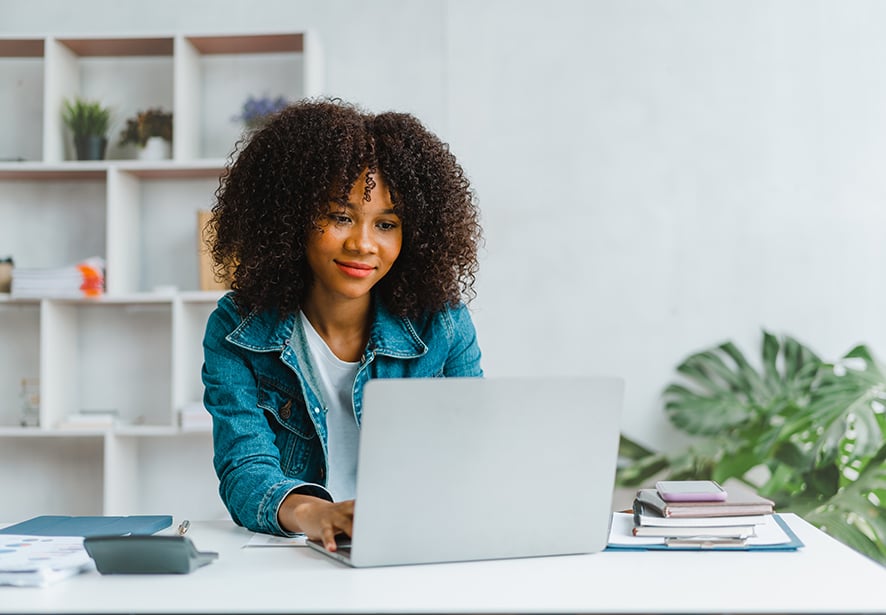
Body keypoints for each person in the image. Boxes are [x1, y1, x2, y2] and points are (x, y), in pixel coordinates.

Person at [201, 98, 483, 551]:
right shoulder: (239, 329)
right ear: (291, 217)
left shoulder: (443, 324)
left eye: (387, 224)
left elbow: (474, 448)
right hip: (297, 552)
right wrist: (318, 515)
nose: (363, 244)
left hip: (415, 544)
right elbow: (246, 469)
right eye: (340, 217)